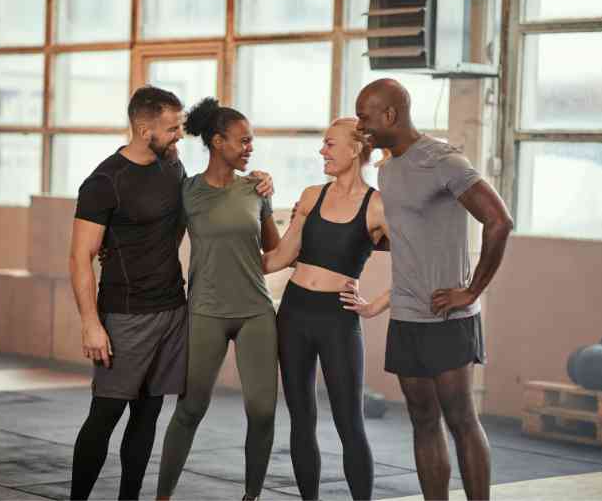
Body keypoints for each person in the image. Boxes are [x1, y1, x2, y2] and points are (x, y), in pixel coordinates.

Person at [68, 86, 273, 500]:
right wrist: (90, 323)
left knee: (147, 417)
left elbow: (185, 220)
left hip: (172, 310)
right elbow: (80, 256)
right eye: (172, 128)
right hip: (125, 315)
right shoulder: (104, 181)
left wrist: (262, 182)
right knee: (105, 415)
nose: (181, 135)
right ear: (145, 130)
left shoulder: (172, 167)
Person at [347, 78, 513, 501]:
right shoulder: (387, 170)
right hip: (406, 316)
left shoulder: (444, 160)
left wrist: (472, 291)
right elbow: (408, 234)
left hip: (447, 317)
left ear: (390, 115)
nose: (360, 125)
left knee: (461, 419)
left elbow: (499, 221)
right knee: (422, 418)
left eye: (364, 117)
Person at [156, 98, 281, 501]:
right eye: (243, 141)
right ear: (217, 141)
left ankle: (251, 496)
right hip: (206, 311)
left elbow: (274, 250)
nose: (250, 148)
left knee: (262, 412)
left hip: (256, 312)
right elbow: (163, 244)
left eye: (251, 141)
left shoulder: (256, 189)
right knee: (190, 409)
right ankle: (162, 497)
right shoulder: (188, 191)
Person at [262, 117, 390, 501]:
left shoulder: (377, 206)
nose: (322, 151)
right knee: (301, 421)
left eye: (330, 144)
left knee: (350, 423)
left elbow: (417, 264)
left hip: (338, 319)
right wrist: (227, 250)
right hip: (294, 313)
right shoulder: (311, 195)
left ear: (356, 148)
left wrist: (375, 306)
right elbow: (277, 258)